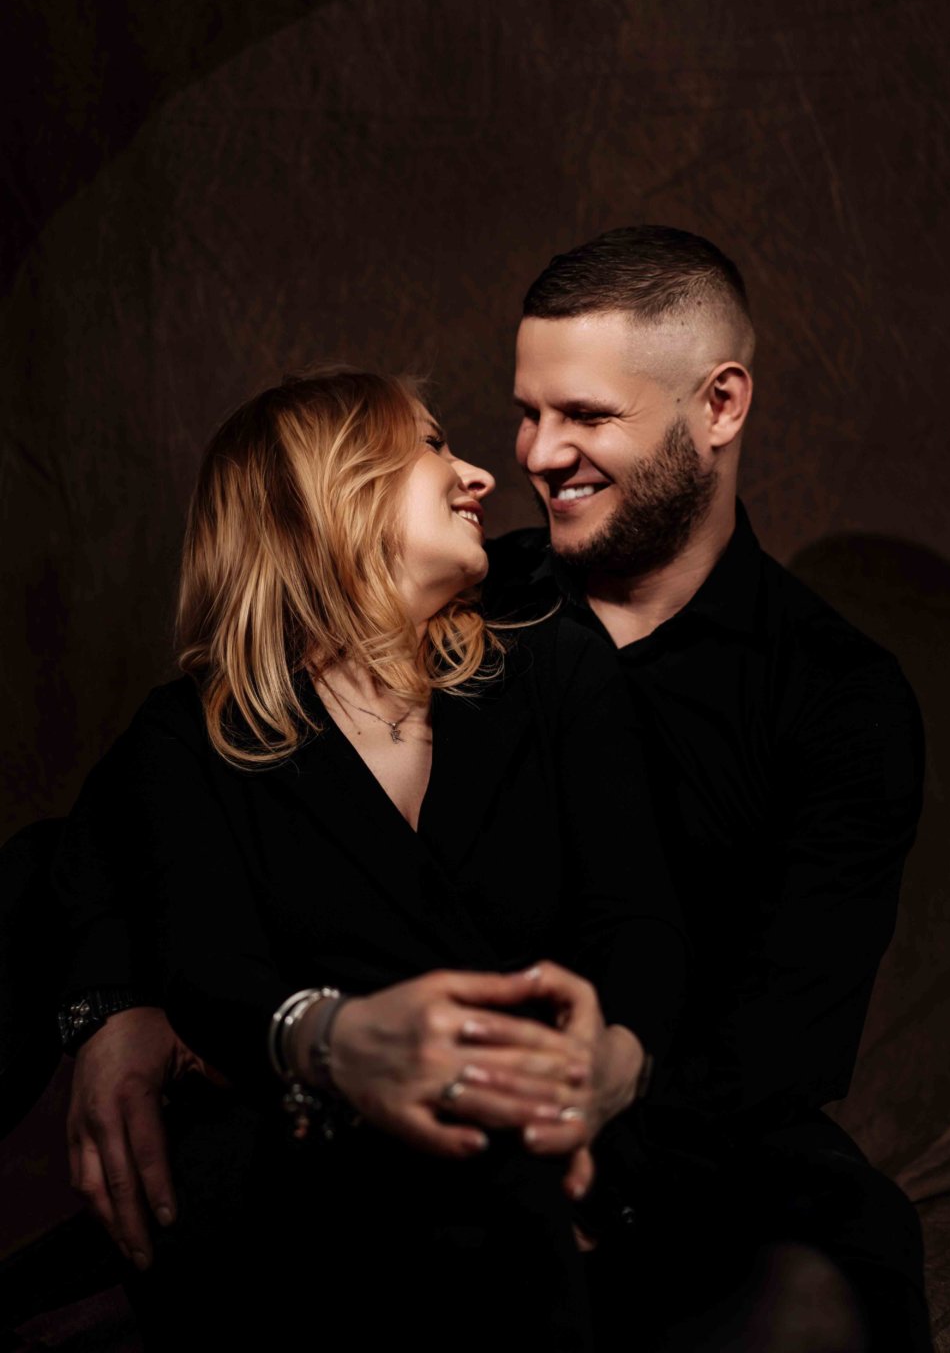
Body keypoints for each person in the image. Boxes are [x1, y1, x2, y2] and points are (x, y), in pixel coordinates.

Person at [59, 227, 928, 1349]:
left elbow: (780, 1043)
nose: (533, 456)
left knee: (820, 1283)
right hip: (410, 1149)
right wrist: (109, 1007)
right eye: (527, 412)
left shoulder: (841, 700)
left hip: (687, 1143)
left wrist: (585, 1147)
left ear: (719, 406)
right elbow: (123, 814)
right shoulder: (486, 596)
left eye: (586, 417)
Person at [51, 366, 685, 1350]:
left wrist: (612, 1068)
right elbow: (207, 970)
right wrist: (328, 1039)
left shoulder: (551, 663)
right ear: (329, 491)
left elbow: (637, 920)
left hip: (572, 1173)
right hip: (323, 1204)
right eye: (432, 445)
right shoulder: (193, 739)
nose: (480, 474)